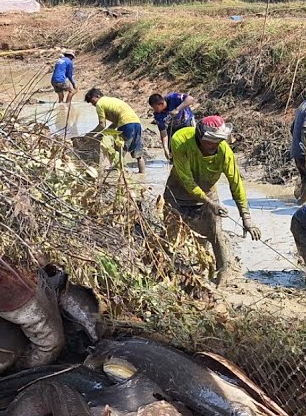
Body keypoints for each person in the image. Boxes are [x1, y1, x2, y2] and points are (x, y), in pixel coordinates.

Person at [164, 115, 261, 285]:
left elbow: (236, 184)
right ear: (200, 137)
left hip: (208, 194)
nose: (214, 146)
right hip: (177, 194)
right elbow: (187, 180)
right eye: (210, 142)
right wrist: (210, 204)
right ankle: (172, 273)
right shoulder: (180, 140)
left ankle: (223, 274)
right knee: (172, 238)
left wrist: (246, 217)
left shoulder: (224, 152)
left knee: (216, 234)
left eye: (218, 142)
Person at [84, 87, 146, 173]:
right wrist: (103, 134)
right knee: (138, 154)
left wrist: (89, 134)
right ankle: (142, 174)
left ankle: (119, 173)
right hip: (137, 123)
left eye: (93, 101)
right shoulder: (111, 100)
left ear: (97, 96)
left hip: (126, 124)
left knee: (118, 151)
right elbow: (115, 123)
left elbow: (102, 125)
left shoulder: (100, 103)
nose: (93, 104)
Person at [149, 92, 198, 158]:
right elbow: (163, 132)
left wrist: (177, 109)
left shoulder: (173, 97)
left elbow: (190, 99)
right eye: (153, 108)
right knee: (172, 149)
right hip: (172, 127)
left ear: (161, 104)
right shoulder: (157, 115)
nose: (155, 110)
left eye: (156, 108)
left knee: (191, 145)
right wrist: (165, 148)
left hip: (187, 122)